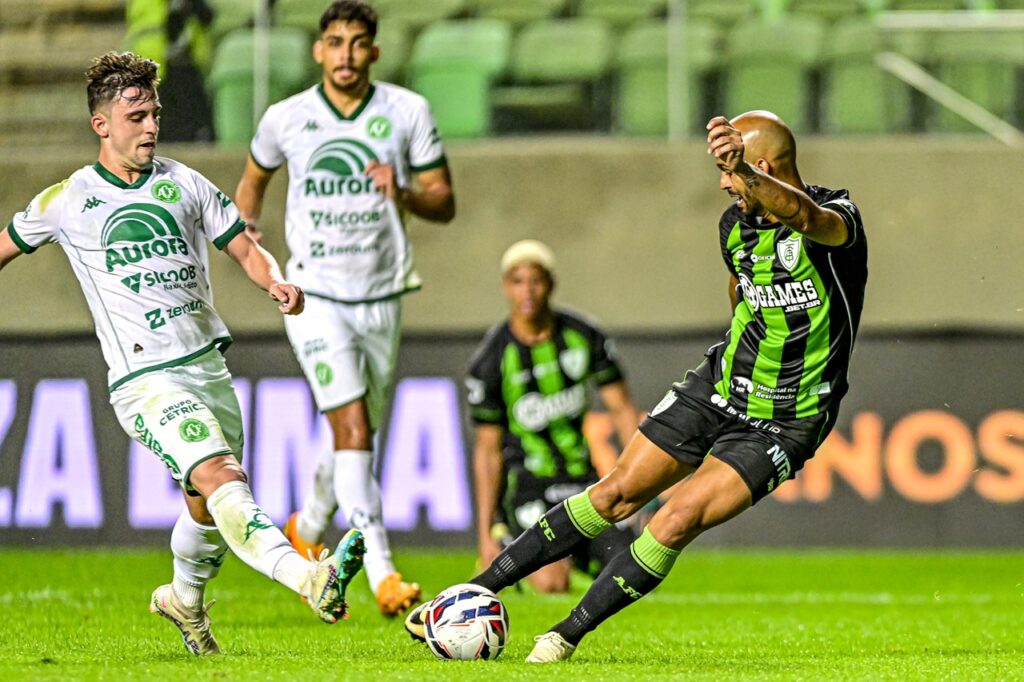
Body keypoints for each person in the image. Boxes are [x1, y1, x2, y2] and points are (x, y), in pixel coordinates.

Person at [406, 111, 868, 661]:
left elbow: (804, 215)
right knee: (615, 493)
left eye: (731, 173)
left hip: (789, 419)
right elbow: (740, 291)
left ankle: (563, 636)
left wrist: (744, 170)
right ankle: (469, 593)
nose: (725, 184)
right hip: (721, 387)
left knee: (676, 519)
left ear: (761, 167)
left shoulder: (838, 219)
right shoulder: (735, 226)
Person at [0, 52, 366, 656]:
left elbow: (243, 246)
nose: (151, 127)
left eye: (155, 114)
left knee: (208, 509)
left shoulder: (185, 182)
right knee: (222, 476)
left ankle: (184, 600)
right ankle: (308, 577)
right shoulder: (67, 200)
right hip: (145, 380)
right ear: (101, 125)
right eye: (136, 116)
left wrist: (275, 280)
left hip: (208, 367)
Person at [233, 0, 455, 618]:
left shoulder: (407, 112)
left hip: (383, 297)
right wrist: (246, 235)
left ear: (374, 51)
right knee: (354, 428)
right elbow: (251, 183)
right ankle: (383, 572)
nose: (346, 55)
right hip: (315, 297)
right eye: (335, 42)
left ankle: (307, 524)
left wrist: (401, 190)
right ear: (318, 50)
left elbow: (444, 201)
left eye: (358, 43)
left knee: (355, 435)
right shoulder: (286, 118)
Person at [466, 240, 640, 594]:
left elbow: (622, 408)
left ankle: (572, 551)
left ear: (551, 283)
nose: (527, 291)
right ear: (505, 287)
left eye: (536, 280)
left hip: (582, 481)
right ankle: (506, 541)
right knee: (552, 582)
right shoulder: (492, 359)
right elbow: (488, 451)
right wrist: (483, 535)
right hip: (528, 484)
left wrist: (639, 485)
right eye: (517, 281)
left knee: (631, 572)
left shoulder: (583, 336)